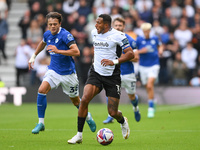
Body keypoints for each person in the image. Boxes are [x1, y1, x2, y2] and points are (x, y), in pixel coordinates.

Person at [68, 14, 135, 144]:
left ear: (106, 25)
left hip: (112, 76)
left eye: (98, 23)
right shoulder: (94, 33)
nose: (95, 25)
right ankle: (79, 135)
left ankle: (122, 121)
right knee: (84, 100)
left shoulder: (119, 35)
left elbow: (130, 54)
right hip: (96, 73)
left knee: (112, 112)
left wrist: (114, 61)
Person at [28, 12, 96, 134]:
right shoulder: (47, 34)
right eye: (50, 24)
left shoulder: (66, 35)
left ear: (60, 23)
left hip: (68, 74)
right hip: (53, 70)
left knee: (76, 102)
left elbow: (76, 52)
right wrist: (33, 56)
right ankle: (41, 123)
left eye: (55, 24)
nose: (52, 26)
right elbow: (43, 43)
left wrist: (58, 51)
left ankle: (88, 116)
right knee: (41, 90)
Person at [103, 17, 141, 124]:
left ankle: (136, 108)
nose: (118, 27)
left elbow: (136, 58)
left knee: (132, 96)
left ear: (124, 27)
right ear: (112, 26)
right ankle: (110, 115)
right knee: (110, 93)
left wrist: (122, 57)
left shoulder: (131, 40)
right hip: (114, 73)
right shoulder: (109, 39)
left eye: (120, 25)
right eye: (116, 25)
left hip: (128, 73)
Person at [136, 23, 163, 118]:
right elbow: (134, 51)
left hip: (154, 65)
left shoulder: (155, 38)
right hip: (143, 66)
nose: (146, 33)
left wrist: (160, 50)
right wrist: (140, 51)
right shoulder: (139, 40)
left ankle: (150, 108)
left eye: (147, 31)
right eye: (144, 31)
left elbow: (160, 46)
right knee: (147, 86)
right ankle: (152, 99)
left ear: (150, 31)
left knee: (149, 85)